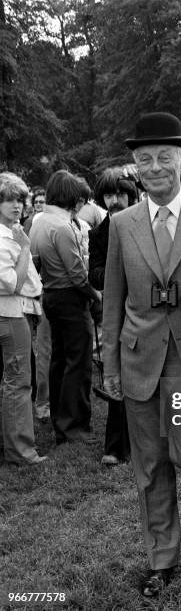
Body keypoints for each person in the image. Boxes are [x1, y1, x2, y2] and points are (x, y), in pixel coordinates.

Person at [102, 112, 181, 597]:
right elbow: (112, 302)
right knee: (150, 465)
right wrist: (110, 364)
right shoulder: (121, 224)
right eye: (144, 160)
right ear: (135, 167)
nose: (154, 168)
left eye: (163, 158)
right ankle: (162, 558)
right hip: (139, 358)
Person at [30, 170, 101, 445]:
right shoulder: (61, 226)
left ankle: (61, 419)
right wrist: (96, 296)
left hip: (50, 294)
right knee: (78, 363)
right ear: (70, 196)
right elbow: (77, 274)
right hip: (69, 297)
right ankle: (75, 427)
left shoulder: (39, 221)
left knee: (59, 360)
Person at [88, 167, 137, 465]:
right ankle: (116, 446)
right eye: (108, 194)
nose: (114, 200)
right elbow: (93, 274)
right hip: (117, 311)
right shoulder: (99, 232)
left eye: (120, 193)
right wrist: (118, 274)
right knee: (118, 372)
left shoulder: (148, 224)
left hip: (152, 311)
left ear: (131, 195)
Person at [0, 172, 47, 465]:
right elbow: (14, 283)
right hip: (10, 313)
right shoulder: (7, 237)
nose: (16, 205)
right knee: (18, 382)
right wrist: (26, 248)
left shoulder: (14, 230)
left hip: (17, 311)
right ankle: (21, 450)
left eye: (19, 199)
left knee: (12, 379)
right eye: (7, 200)